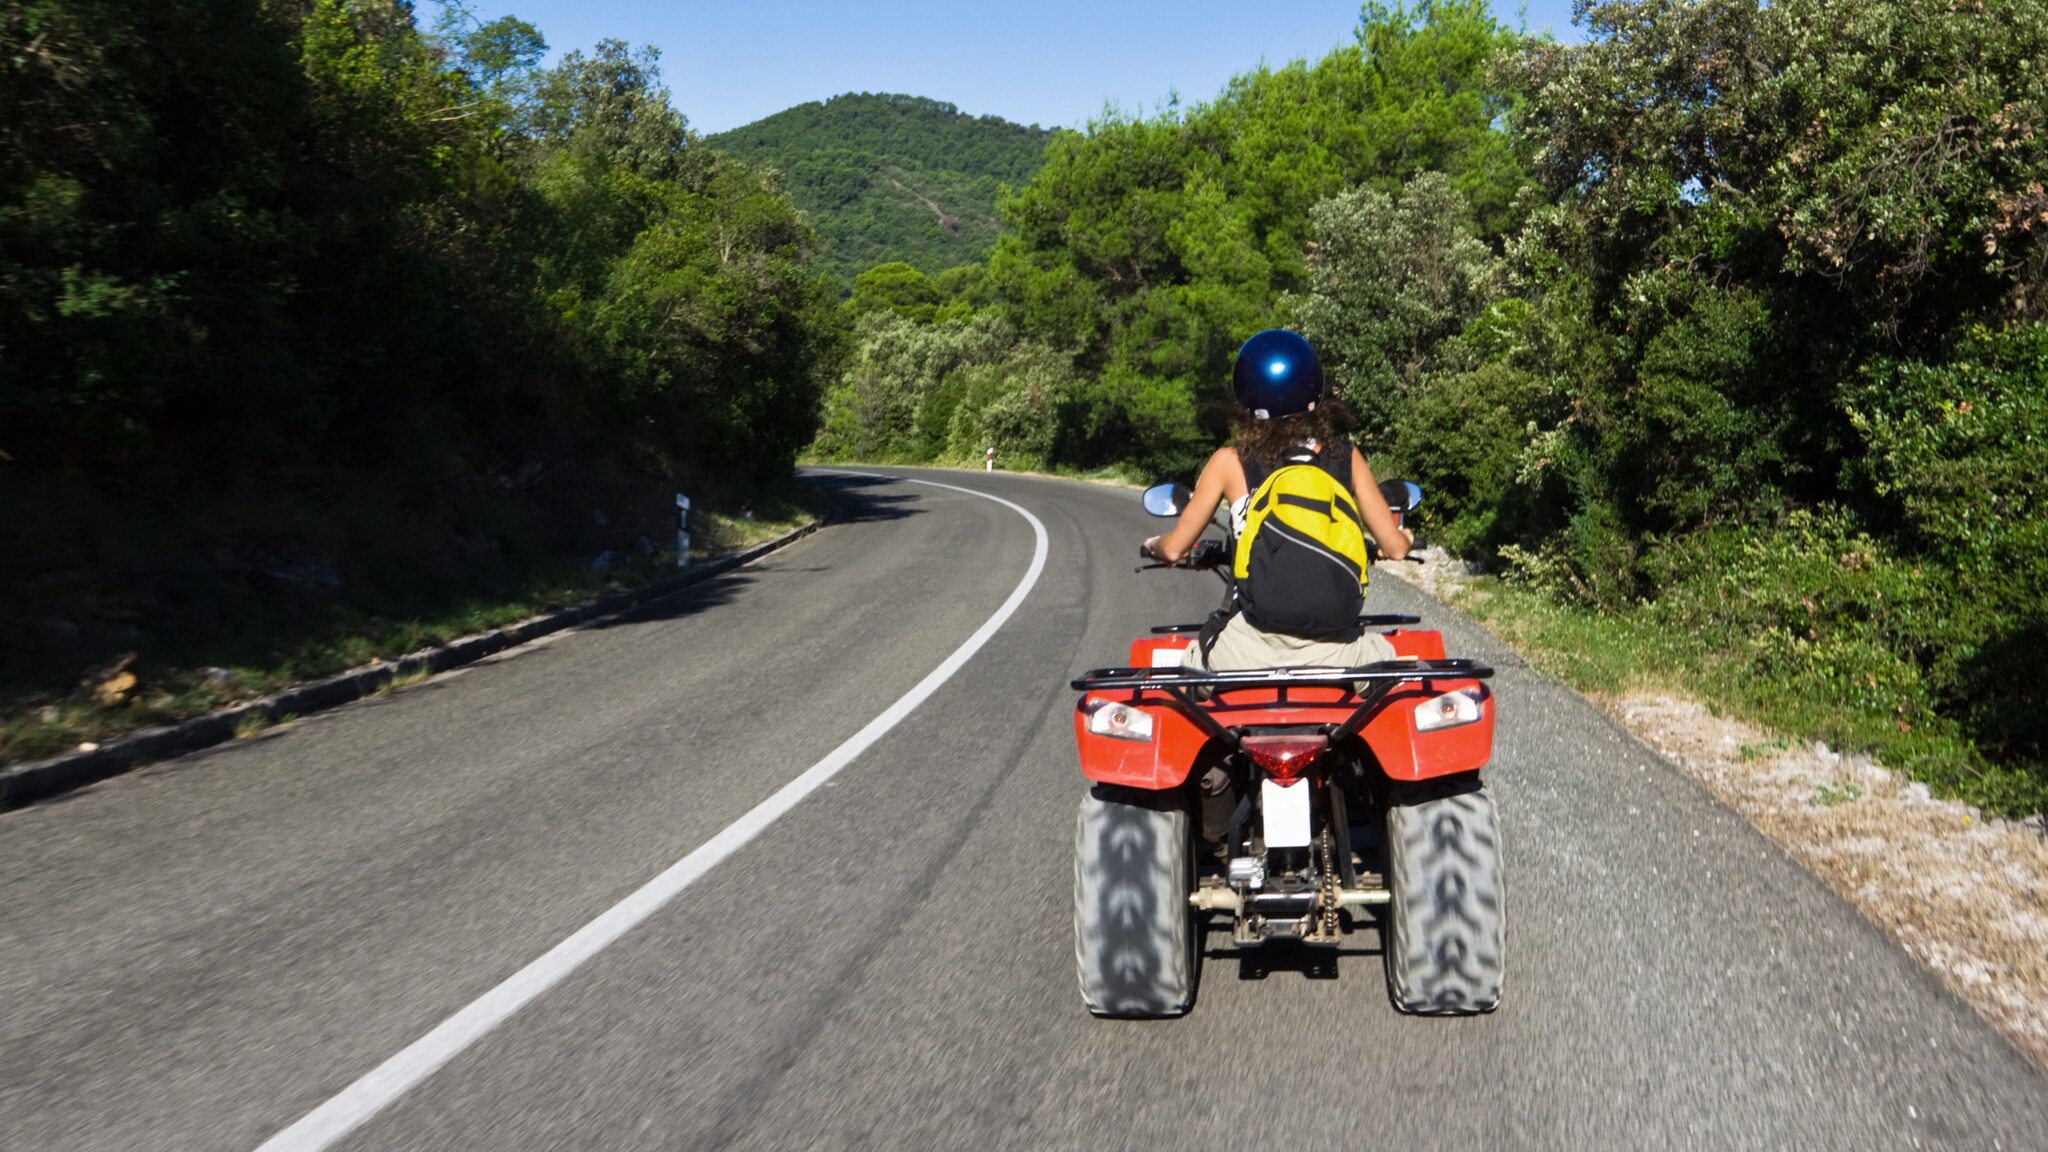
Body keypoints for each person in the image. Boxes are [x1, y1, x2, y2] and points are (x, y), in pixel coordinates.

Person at [1141, 329, 1411, 677]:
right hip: (1337, 654)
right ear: (1316, 389)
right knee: (1394, 663)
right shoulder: (1346, 458)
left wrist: (1153, 545)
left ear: (1245, 397)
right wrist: (1400, 539)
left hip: (1246, 650)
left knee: (1177, 674)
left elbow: (1176, 548)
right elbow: (1397, 548)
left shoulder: (1229, 462)